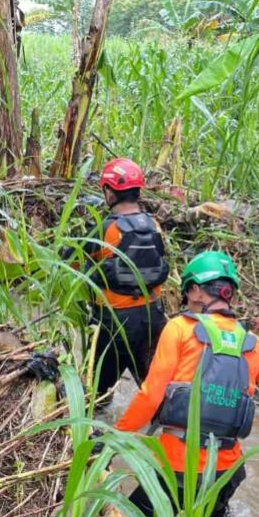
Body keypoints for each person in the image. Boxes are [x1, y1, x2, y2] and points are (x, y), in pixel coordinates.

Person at [114, 250, 259, 517]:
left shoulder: (179, 329)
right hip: (226, 471)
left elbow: (151, 394)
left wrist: (118, 435)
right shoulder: (257, 347)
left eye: (188, 290)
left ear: (197, 290)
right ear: (230, 295)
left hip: (175, 468)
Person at [83, 158, 170, 400]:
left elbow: (72, 260)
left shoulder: (105, 230)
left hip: (116, 323)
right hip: (153, 317)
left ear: (110, 192)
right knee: (155, 393)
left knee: (96, 396)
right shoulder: (154, 225)